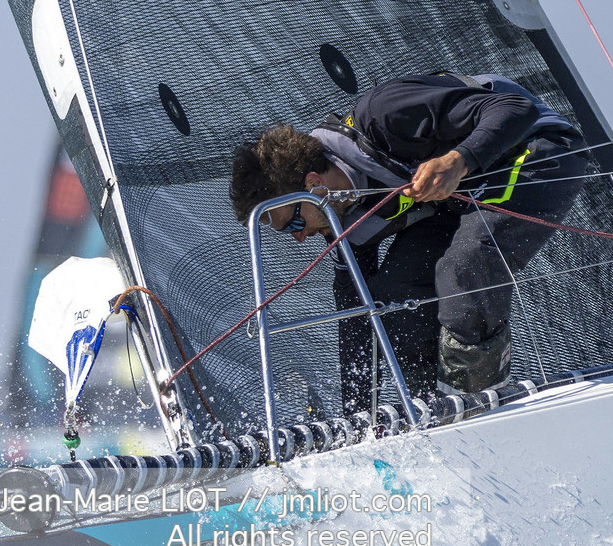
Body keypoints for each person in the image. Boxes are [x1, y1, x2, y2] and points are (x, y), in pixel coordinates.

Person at [229, 73, 591, 409]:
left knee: (463, 268)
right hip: (459, 201)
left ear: (314, 186)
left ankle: (478, 402)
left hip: (535, 150)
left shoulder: (383, 114)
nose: (299, 237)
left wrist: (457, 160)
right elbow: (356, 314)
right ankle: (430, 407)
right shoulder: (348, 222)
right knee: (393, 295)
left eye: (293, 221)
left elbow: (516, 109)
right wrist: (358, 417)